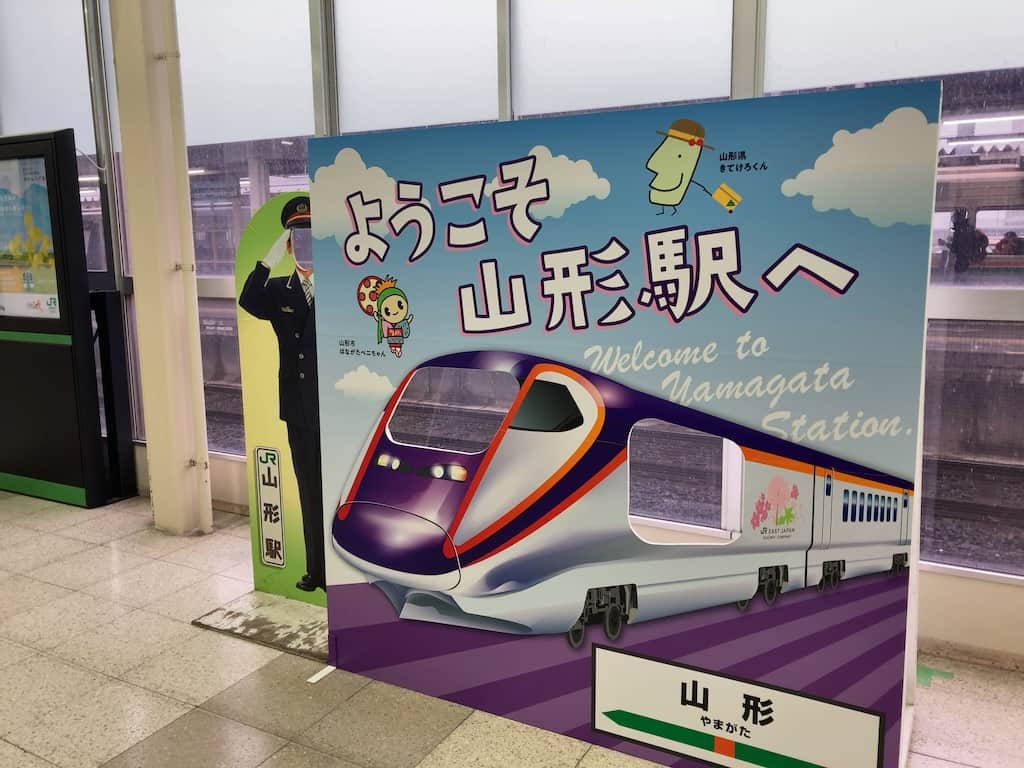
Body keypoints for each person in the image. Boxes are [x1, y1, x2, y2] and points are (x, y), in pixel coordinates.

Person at [238, 196, 325, 592]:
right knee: (309, 490)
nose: (306, 245)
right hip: (300, 409)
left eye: (312, 236)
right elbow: (248, 299)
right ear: (289, 245)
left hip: (336, 408)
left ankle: (344, 572)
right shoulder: (277, 289)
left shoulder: (344, 288)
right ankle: (317, 572)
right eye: (298, 237)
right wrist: (269, 259)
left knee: (340, 490)